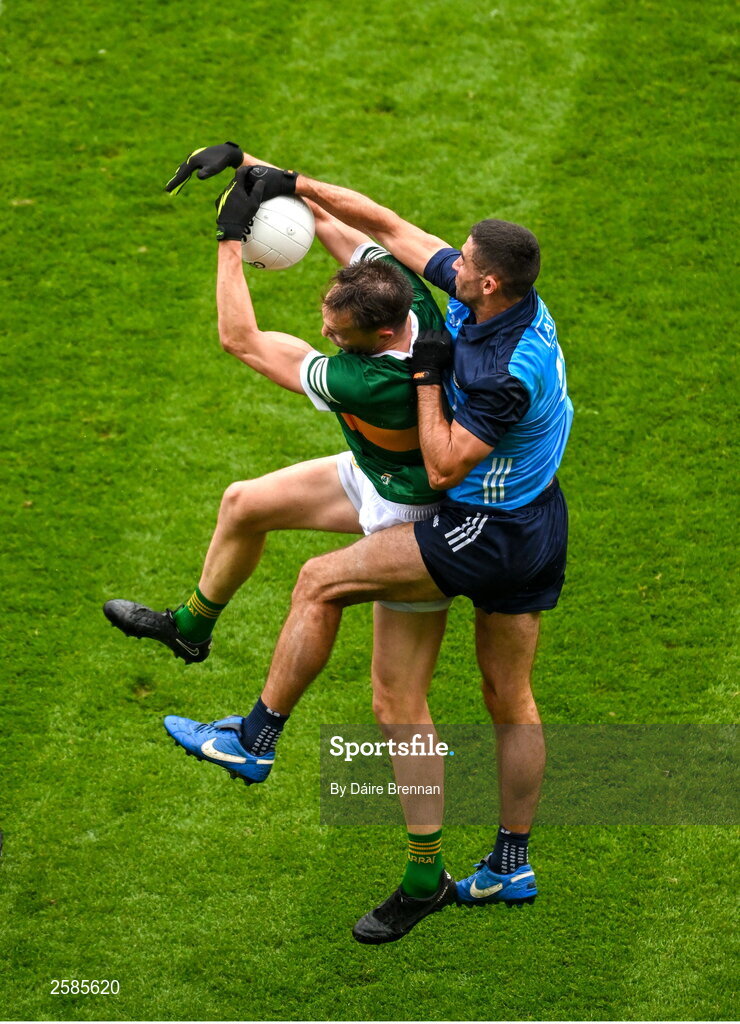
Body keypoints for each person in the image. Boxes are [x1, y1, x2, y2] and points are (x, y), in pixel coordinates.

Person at [159, 146, 573, 943]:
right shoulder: (504, 302)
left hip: (486, 527)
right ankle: (510, 862)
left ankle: (255, 738)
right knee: (507, 697)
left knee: (320, 584)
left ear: (488, 284)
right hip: (540, 513)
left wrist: (424, 376)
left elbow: (448, 462)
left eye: (465, 263)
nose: (451, 263)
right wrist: (273, 173)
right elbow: (380, 223)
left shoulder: (501, 369)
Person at [104, 164, 456, 934]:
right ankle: (190, 629)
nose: (326, 329)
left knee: (398, 705)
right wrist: (258, 173)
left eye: (338, 330)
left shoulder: (372, 384)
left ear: (379, 337)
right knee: (245, 502)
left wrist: (230, 241)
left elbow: (241, 339)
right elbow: (343, 232)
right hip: (373, 474)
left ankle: (420, 867)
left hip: (411, 522)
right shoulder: (406, 300)